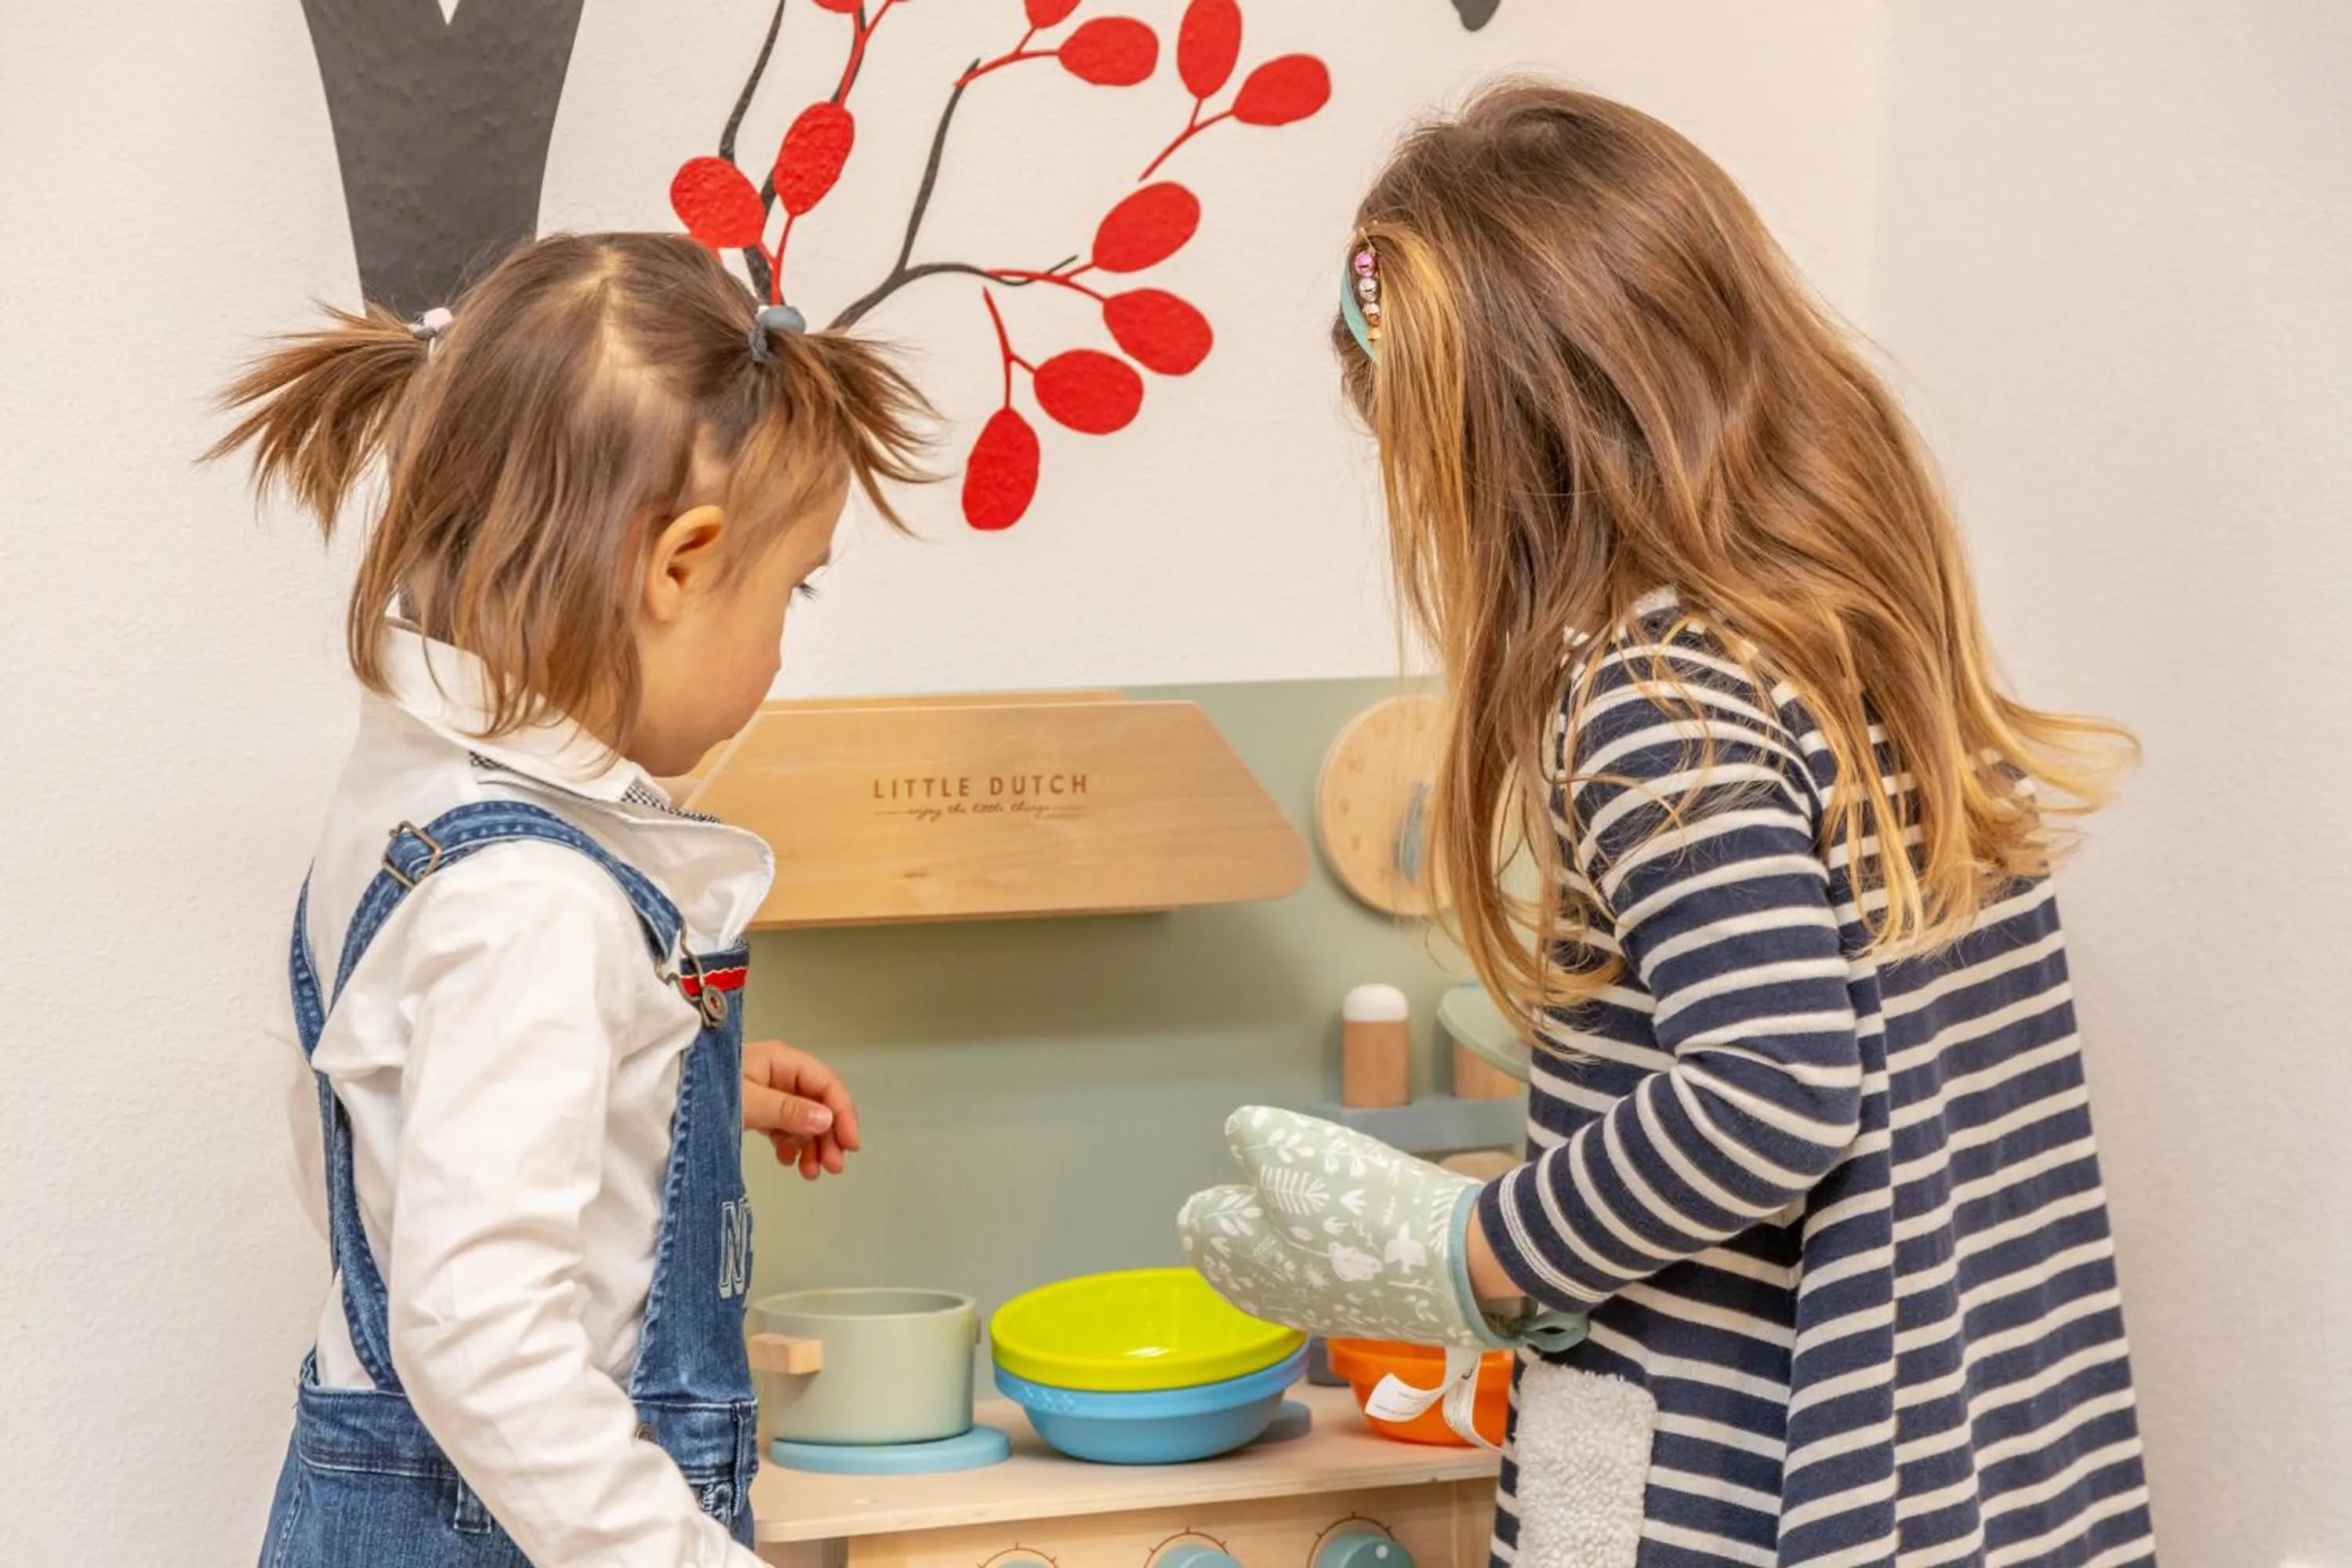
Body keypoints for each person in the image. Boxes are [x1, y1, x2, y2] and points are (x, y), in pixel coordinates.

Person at [1183, 82, 2154, 1566]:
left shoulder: (1650, 694)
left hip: (1726, 1474)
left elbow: (1774, 1088)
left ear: (1502, 454)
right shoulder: (1863, 642)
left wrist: (1478, 1253)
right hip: (1969, 1466)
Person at [212, 232, 926, 1567]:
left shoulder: (410, 814)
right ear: (680, 564)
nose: (783, 640)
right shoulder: (533, 901)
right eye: (793, 589)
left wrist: (652, 1083)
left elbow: (396, 1119)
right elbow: (483, 1338)